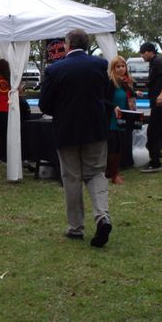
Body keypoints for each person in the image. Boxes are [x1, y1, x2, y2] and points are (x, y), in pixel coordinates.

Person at [38, 29, 112, 248]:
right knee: (96, 173)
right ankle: (102, 216)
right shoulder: (99, 65)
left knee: (72, 178)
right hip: (96, 129)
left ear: (67, 45)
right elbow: (106, 96)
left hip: (67, 131)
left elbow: (44, 104)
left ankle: (76, 227)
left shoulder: (55, 69)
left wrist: (61, 110)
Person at [139, 42, 162, 172]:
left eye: (142, 53)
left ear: (150, 51)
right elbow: (156, 82)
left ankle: (155, 163)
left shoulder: (159, 61)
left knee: (152, 132)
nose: (142, 56)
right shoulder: (154, 64)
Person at [106, 56, 136, 184]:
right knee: (114, 147)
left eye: (123, 66)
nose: (121, 68)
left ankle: (112, 171)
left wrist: (135, 94)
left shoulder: (125, 83)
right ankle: (114, 174)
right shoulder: (110, 82)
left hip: (122, 118)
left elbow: (127, 97)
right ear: (113, 68)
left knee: (119, 146)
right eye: (118, 66)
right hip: (112, 120)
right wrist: (114, 106)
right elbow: (104, 99)